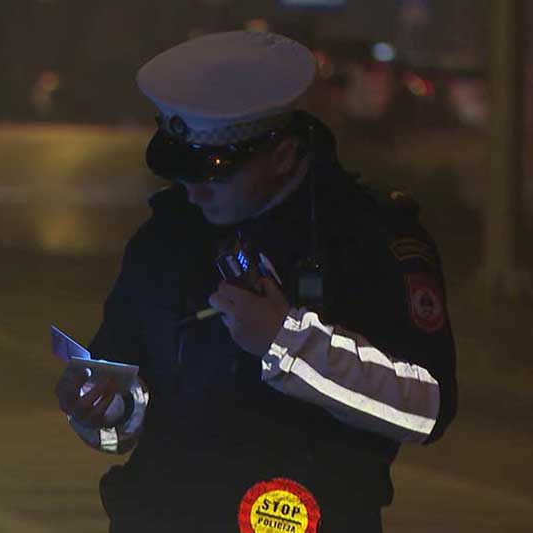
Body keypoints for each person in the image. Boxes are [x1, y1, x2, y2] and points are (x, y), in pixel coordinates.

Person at [55, 31, 457, 532]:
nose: (193, 191)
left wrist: (285, 342)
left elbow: (427, 408)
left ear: (283, 155)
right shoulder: (167, 235)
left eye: (215, 173)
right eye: (183, 170)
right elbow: (125, 385)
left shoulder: (368, 235)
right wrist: (106, 408)